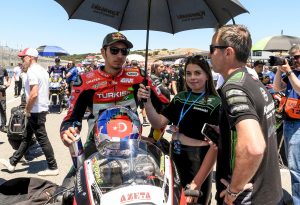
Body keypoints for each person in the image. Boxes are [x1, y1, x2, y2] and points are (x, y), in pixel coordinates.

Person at [60, 32, 169, 176]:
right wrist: (67, 131)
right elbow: (72, 118)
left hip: (134, 143)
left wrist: (153, 138)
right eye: (114, 50)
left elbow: (164, 107)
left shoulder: (138, 76)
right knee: (69, 188)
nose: (119, 56)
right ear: (103, 52)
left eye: (124, 51)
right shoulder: (85, 81)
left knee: (166, 178)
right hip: (97, 143)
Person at [210, 24, 282, 205]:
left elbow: (254, 148)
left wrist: (233, 191)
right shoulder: (253, 81)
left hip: (248, 196)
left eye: (212, 49)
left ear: (228, 52)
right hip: (268, 190)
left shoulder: (234, 87)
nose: (210, 54)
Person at [138, 55, 221, 205]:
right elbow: (158, 123)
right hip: (174, 157)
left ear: (207, 75)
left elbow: (215, 148)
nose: (192, 77)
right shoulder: (180, 97)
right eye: (188, 73)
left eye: (197, 73)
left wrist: (197, 183)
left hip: (198, 161)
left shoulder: (215, 103)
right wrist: (148, 101)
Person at [0, 48, 59, 176]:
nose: (22, 61)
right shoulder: (43, 71)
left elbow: (33, 94)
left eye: (23, 58)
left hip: (35, 111)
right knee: (26, 137)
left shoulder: (32, 71)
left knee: (42, 139)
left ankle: (53, 167)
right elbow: (46, 92)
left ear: (30, 57)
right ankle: (12, 162)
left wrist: (27, 110)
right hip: (40, 108)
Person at [273, 44, 300, 204]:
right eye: (294, 57)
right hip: (289, 122)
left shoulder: (293, 74)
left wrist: (289, 71)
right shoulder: (293, 73)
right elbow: (277, 87)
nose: (296, 60)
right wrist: (279, 69)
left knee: (297, 170)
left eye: (298, 57)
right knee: (294, 167)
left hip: (298, 125)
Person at [0, 65, 11, 132]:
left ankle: (3, 126)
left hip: (1, 91)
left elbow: (8, 78)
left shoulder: (2, 69)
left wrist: (8, 83)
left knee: (3, 109)